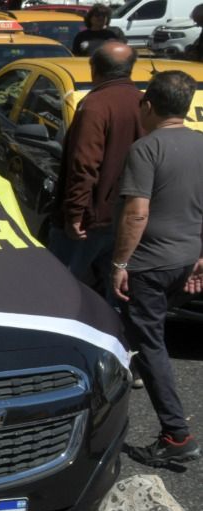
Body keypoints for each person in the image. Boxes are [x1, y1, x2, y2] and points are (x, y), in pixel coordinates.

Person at [111, 70, 203, 468]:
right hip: (185, 258)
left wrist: (119, 263)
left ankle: (176, 435)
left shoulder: (146, 149)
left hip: (148, 264)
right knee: (144, 333)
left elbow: (136, 214)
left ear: (148, 105)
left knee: (150, 343)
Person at [47, 42, 142, 289]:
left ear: (94, 69)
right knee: (114, 288)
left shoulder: (95, 105)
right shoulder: (143, 103)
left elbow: (85, 165)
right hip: (126, 216)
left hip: (91, 219)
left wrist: (75, 213)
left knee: (61, 284)